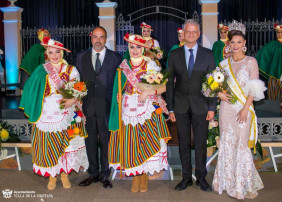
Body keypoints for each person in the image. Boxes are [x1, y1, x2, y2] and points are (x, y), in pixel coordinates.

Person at [19, 37, 89, 190]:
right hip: (46, 113)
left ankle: (64, 174)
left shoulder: (71, 70)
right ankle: (52, 175)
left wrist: (73, 100)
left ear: (62, 53)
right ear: (47, 53)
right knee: (49, 145)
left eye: (57, 52)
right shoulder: (41, 69)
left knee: (66, 144)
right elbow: (30, 88)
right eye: (51, 52)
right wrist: (34, 102)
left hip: (66, 111)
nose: (54, 55)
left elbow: (79, 90)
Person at [108, 33, 171, 192]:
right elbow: (119, 87)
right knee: (132, 144)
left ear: (143, 49)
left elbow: (163, 87)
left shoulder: (151, 64)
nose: (135, 50)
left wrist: (148, 92)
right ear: (128, 49)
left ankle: (144, 178)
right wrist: (119, 95)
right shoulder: (123, 66)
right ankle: (136, 177)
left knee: (145, 143)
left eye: (138, 47)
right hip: (128, 110)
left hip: (147, 111)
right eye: (132, 47)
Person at [212, 20, 266, 199]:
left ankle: (243, 184)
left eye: (239, 42)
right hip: (226, 110)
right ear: (228, 44)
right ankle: (227, 182)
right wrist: (218, 94)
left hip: (243, 109)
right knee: (227, 145)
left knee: (241, 146)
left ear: (245, 44)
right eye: (232, 42)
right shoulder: (223, 64)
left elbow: (254, 89)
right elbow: (213, 85)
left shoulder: (251, 61)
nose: (235, 45)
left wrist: (245, 109)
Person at [166, 19, 216, 191]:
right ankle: (186, 177)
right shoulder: (174, 54)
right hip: (180, 106)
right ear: (183, 33)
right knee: (184, 143)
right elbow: (169, 83)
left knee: (201, 143)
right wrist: (170, 108)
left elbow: (213, 83)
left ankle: (201, 178)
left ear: (199, 34)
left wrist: (211, 107)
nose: (191, 34)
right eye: (188, 31)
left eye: (194, 32)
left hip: (201, 106)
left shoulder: (208, 54)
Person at [77, 26, 122, 189]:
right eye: (95, 37)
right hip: (87, 107)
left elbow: (120, 81)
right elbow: (77, 81)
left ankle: (105, 174)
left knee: (105, 142)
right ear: (91, 38)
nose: (98, 40)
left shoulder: (116, 58)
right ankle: (93, 174)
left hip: (108, 107)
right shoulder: (81, 56)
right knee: (89, 141)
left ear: (105, 39)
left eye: (101, 37)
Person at [256, 23, 282, 102]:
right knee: (275, 97)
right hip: (275, 75)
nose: (280, 34)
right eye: (278, 32)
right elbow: (262, 55)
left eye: (281, 32)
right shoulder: (272, 45)